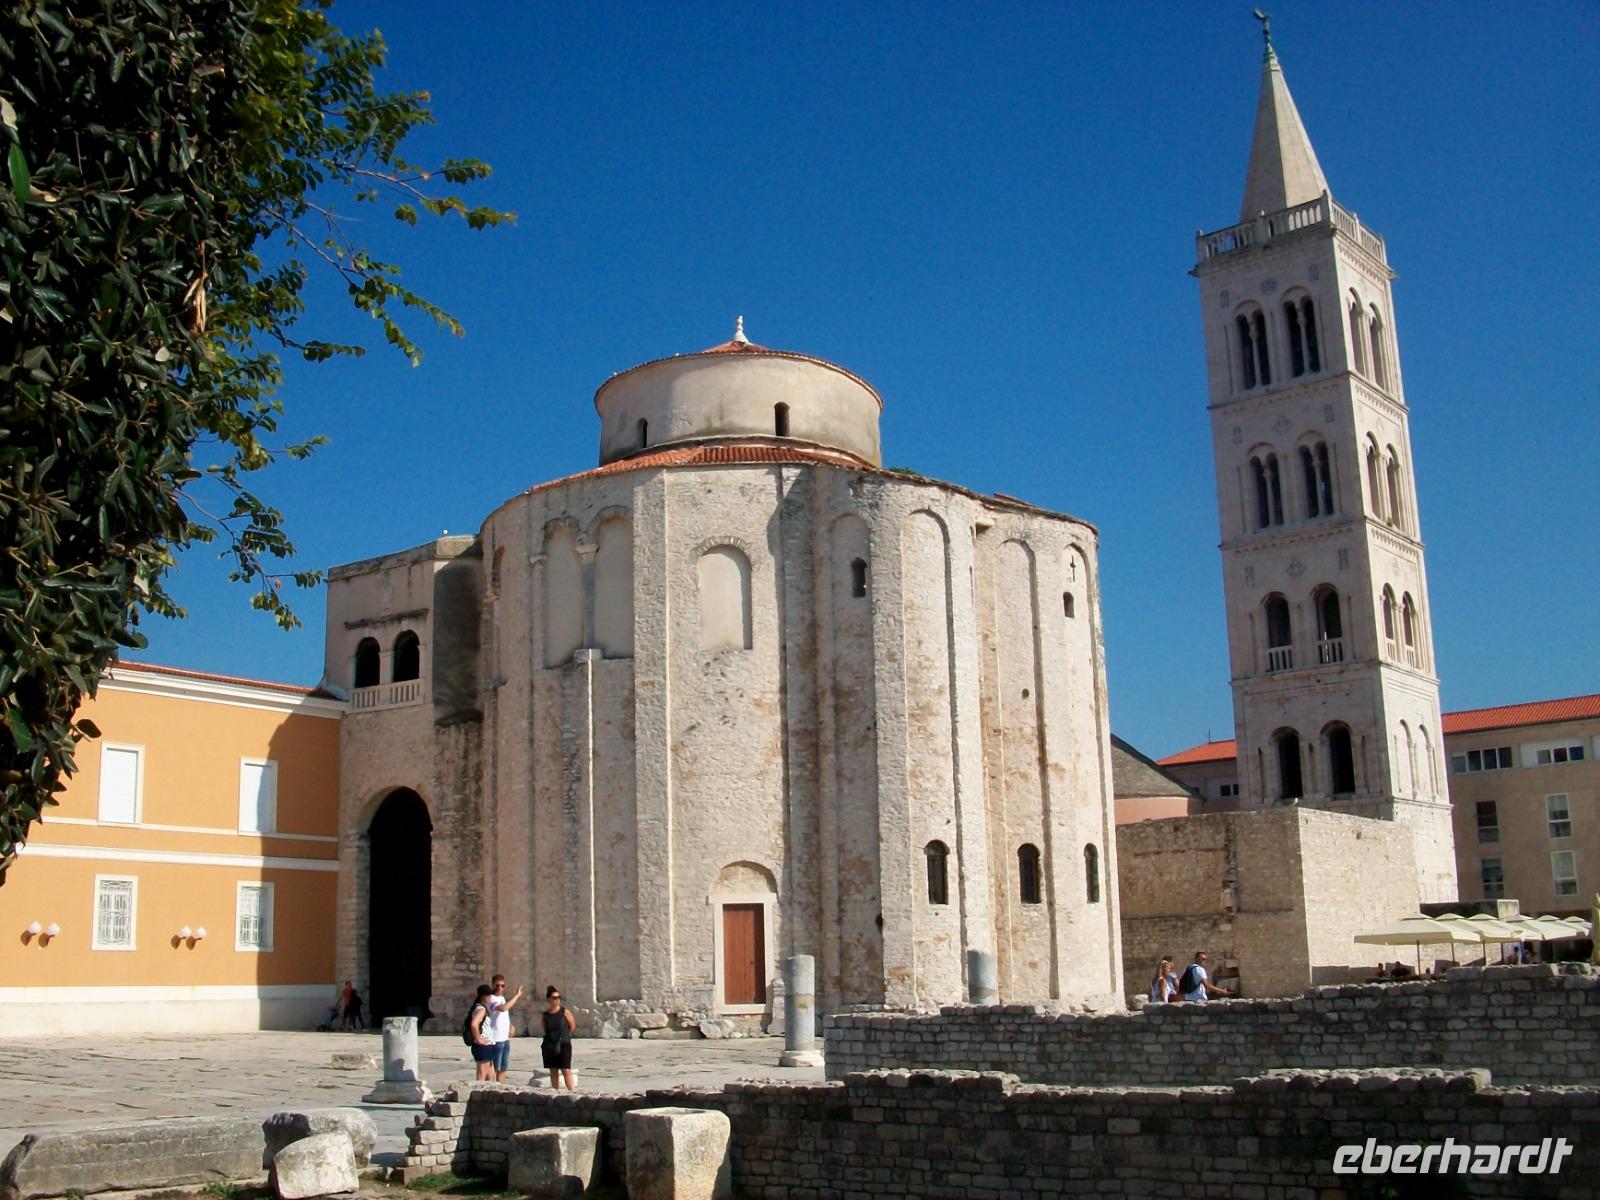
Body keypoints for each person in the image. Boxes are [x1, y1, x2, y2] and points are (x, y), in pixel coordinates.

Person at [485, 974, 525, 1083]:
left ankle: (501, 1090)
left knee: (503, 1069)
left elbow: (504, 1015)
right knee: (494, 1069)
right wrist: (517, 996)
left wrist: (510, 1026)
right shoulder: (491, 999)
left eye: (502, 986)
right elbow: (503, 1008)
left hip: (505, 1038)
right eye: (497, 985)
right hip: (495, 1039)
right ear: (492, 985)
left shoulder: (502, 998)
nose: (499, 988)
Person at [540, 985, 577, 1091]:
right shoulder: (545, 1015)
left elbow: (572, 1025)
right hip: (551, 1045)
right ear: (549, 999)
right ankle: (555, 1092)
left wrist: (566, 1036)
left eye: (559, 997)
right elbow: (545, 1028)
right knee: (553, 1071)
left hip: (564, 1044)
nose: (557, 1000)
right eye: (554, 998)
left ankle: (572, 1091)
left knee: (566, 1070)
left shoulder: (564, 1011)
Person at [467, 984, 497, 1082]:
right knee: (481, 1078)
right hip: (482, 1047)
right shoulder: (481, 1009)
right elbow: (474, 1024)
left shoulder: (480, 1008)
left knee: (491, 1077)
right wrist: (479, 1039)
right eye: (488, 995)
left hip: (488, 1046)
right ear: (483, 996)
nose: (490, 997)